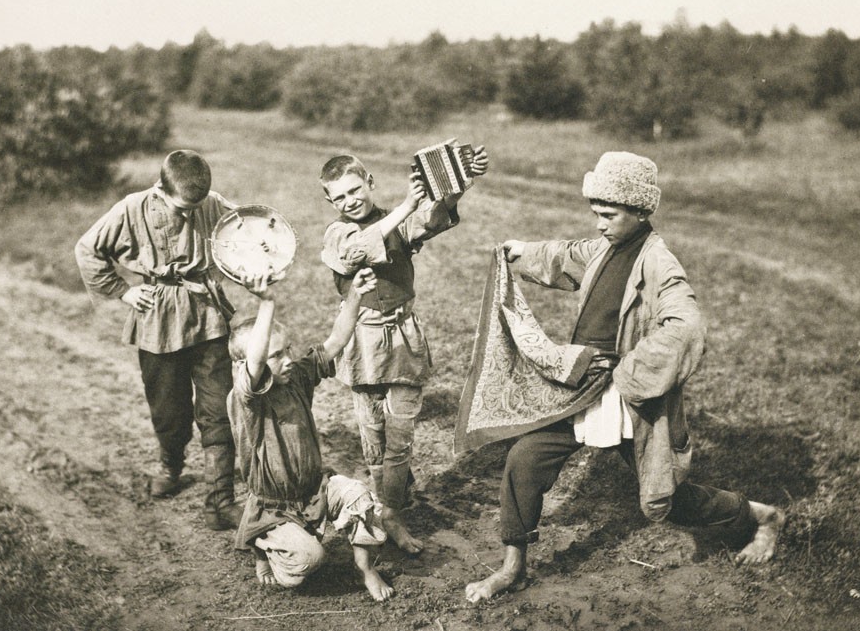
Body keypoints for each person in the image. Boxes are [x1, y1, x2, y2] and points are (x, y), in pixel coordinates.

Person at [465, 151, 785, 603]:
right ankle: (512, 566)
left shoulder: (659, 263)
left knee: (666, 500)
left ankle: (759, 517)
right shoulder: (606, 247)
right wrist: (521, 253)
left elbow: (687, 326)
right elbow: (567, 255)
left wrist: (627, 370)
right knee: (525, 459)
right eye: (595, 213)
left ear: (640, 211)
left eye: (608, 215)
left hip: (628, 396)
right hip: (583, 390)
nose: (598, 223)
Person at [319, 148, 489, 554]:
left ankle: (391, 511)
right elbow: (355, 252)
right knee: (371, 431)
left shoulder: (395, 220)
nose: (350, 201)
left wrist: (454, 189)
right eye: (340, 197)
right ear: (330, 202)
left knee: (400, 435)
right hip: (361, 342)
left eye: (355, 190)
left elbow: (430, 220)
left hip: (403, 338)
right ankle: (387, 495)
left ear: (370, 182)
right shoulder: (336, 233)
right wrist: (406, 205)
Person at [74, 149, 242, 531]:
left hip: (207, 315)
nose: (190, 214)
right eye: (182, 208)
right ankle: (171, 465)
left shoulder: (212, 204)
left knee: (219, 408)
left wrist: (256, 262)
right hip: (157, 317)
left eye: (195, 207)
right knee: (169, 407)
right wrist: (122, 291)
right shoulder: (132, 208)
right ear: (160, 189)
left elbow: (246, 231)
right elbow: (88, 249)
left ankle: (221, 499)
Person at [227, 267, 394, 602]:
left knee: (359, 495)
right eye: (277, 355)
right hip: (274, 506)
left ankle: (365, 569)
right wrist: (267, 302)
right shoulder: (247, 398)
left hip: (313, 490)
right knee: (308, 560)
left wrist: (355, 296)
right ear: (242, 365)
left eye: (288, 350)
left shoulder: (296, 377)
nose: (288, 360)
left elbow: (335, 342)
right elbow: (256, 361)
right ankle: (262, 543)